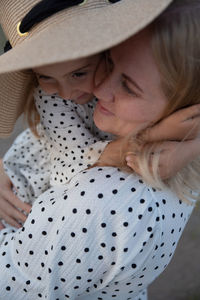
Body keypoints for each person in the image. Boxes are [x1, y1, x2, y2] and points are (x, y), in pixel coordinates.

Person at [0, 0, 199, 299]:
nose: (97, 88)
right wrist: (160, 135)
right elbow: (69, 169)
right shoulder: (55, 101)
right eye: (46, 78)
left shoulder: (105, 204)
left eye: (80, 73)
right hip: (27, 197)